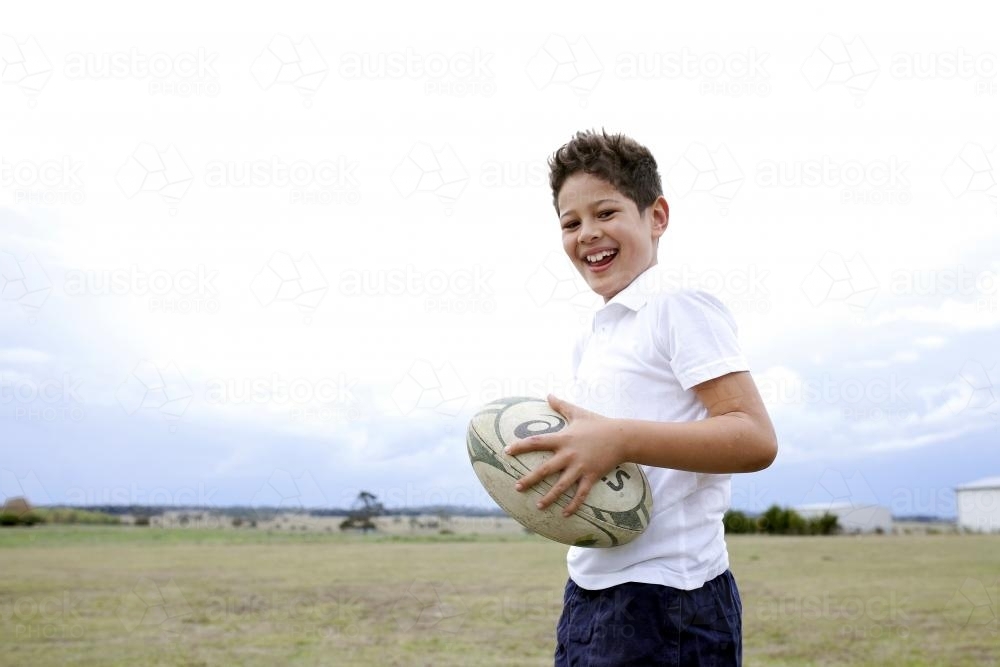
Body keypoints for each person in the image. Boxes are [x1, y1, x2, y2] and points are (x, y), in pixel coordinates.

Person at [504, 130, 778, 666]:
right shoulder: (594, 335)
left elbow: (753, 437)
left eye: (606, 213)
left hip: (670, 601)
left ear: (657, 217)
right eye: (570, 222)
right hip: (590, 590)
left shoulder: (677, 306)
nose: (588, 233)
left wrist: (618, 437)